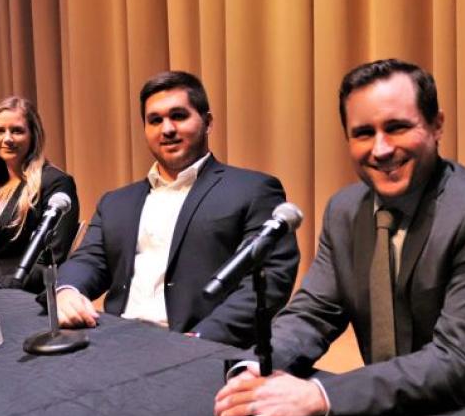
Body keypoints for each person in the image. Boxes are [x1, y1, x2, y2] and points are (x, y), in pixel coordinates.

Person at [215, 58, 465, 416]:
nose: (380, 149)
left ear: (436, 125)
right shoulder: (344, 210)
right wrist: (255, 369)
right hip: (386, 415)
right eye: (363, 133)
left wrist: (321, 395)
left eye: (396, 128)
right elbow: (314, 312)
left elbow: (458, 362)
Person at [56, 70, 299, 348]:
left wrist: (199, 340)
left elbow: (269, 281)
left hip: (198, 347)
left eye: (178, 116)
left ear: (207, 122)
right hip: (114, 342)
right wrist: (66, 291)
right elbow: (89, 260)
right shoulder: (115, 201)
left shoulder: (253, 190)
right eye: (155, 120)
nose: (167, 129)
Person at [0, 96, 79, 293]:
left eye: (17, 131)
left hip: (18, 290)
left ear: (33, 136)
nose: (7, 139)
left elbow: (49, 257)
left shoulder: (55, 182)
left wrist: (8, 287)